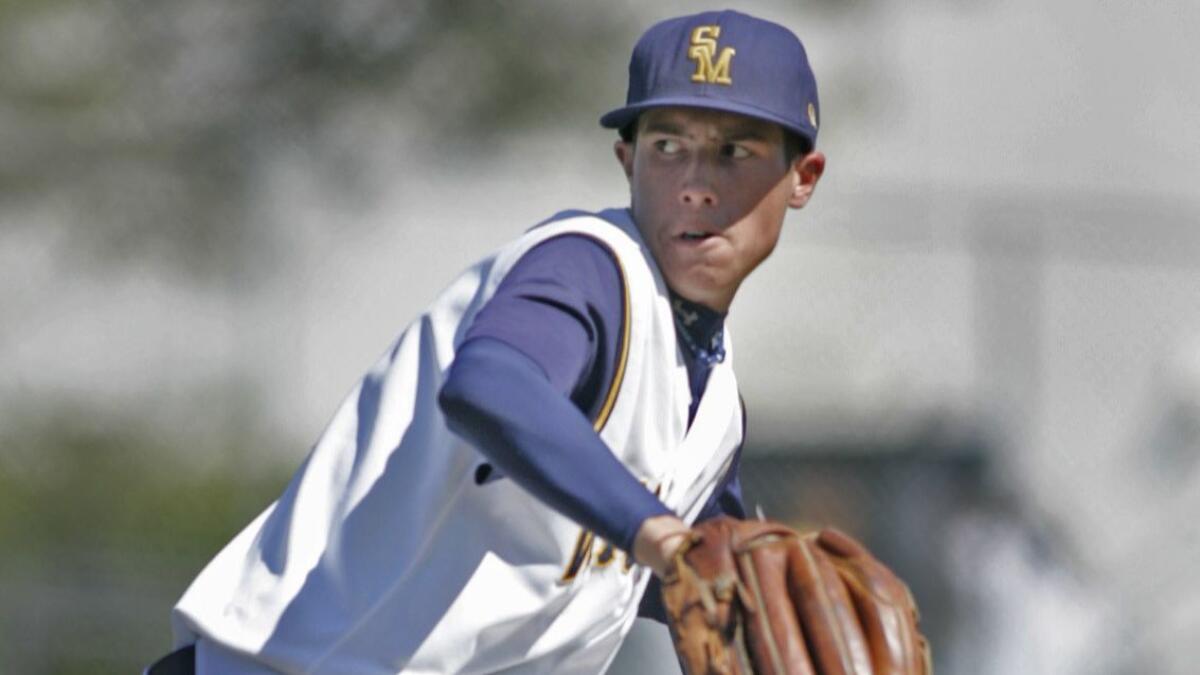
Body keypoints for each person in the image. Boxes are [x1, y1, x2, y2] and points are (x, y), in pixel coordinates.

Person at [147, 9, 825, 674]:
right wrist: (660, 535)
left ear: (803, 177)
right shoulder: (591, 265)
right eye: (668, 147)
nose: (695, 186)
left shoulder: (712, 409)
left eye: (735, 151)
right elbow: (490, 384)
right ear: (627, 160)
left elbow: (687, 576)